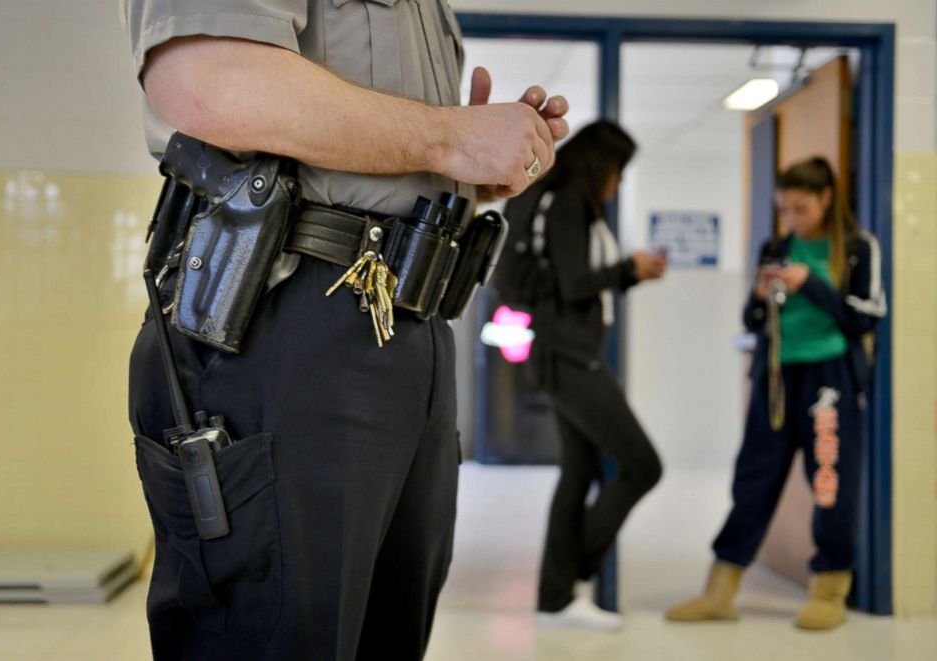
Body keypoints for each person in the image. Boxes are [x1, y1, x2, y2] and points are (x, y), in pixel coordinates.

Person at [120, 2, 570, 659]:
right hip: (279, 314)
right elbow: (207, 81)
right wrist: (450, 136)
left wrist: (463, 170)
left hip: (406, 320)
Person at [666, 156, 887, 631]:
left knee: (830, 483)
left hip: (831, 379)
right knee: (753, 480)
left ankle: (830, 589)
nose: (793, 219)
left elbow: (865, 317)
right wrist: (762, 298)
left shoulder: (856, 248)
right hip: (775, 378)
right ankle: (720, 589)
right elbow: (750, 320)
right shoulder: (775, 247)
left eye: (801, 208)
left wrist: (813, 285)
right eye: (786, 209)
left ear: (826, 198)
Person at [502, 120, 666, 627]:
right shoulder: (571, 201)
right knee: (642, 466)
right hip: (569, 356)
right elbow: (575, 284)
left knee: (578, 471)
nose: (617, 182)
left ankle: (556, 599)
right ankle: (572, 572)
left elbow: (567, 281)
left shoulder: (564, 200)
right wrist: (629, 271)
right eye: (618, 170)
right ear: (602, 165)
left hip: (566, 352)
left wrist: (627, 277)